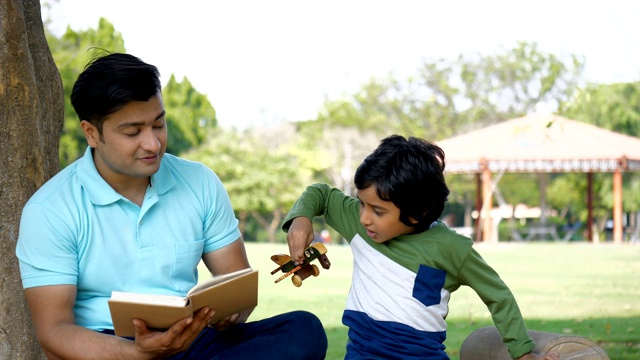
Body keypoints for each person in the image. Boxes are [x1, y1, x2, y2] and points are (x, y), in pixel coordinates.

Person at [16, 53, 327, 360]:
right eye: (133, 132)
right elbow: (54, 332)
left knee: (303, 329)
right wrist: (136, 353)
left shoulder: (199, 182)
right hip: (110, 347)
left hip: (192, 338)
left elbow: (237, 284)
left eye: (158, 124)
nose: (153, 144)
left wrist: (231, 312)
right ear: (91, 133)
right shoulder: (50, 209)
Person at [283, 134, 558, 360]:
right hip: (362, 354)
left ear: (416, 213)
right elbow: (319, 192)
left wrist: (522, 353)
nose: (364, 216)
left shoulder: (452, 248)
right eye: (362, 203)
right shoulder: (359, 223)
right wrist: (301, 219)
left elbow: (498, 295)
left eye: (377, 210)